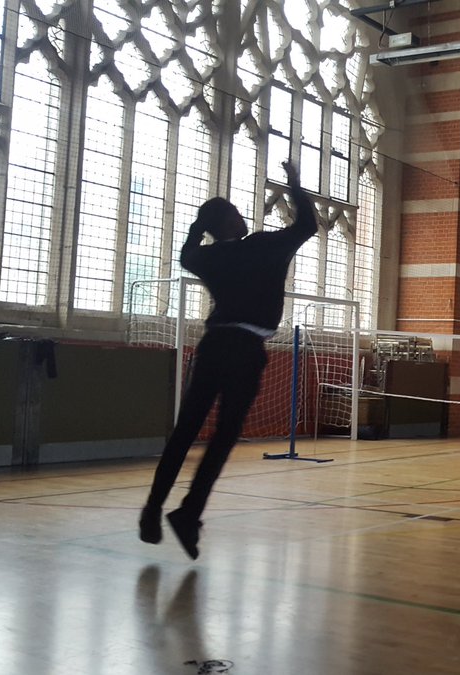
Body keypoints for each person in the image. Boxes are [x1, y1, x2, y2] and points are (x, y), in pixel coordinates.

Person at [139, 160, 319, 559]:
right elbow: (307, 226)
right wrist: (295, 185)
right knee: (222, 437)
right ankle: (189, 514)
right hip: (245, 350)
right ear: (229, 223)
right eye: (236, 212)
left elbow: (186, 254)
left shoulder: (209, 259)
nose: (242, 216)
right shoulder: (260, 246)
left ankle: (152, 510)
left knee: (185, 432)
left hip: (212, 346)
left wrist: (198, 227)